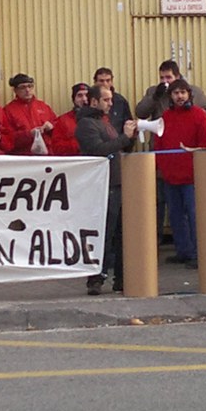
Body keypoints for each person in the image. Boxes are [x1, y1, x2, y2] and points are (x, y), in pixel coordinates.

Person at [75, 84, 137, 295]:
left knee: (121, 234)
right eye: (106, 100)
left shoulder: (105, 123)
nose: (111, 103)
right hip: (104, 186)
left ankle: (121, 278)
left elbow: (119, 147)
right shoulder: (86, 124)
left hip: (116, 184)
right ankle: (96, 278)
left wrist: (130, 137)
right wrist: (123, 138)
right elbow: (98, 150)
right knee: (106, 233)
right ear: (94, 102)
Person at [156, 79, 206, 265]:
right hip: (170, 176)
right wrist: (163, 167)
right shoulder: (165, 117)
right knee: (175, 215)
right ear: (170, 97)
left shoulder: (199, 115)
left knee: (194, 215)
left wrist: (192, 153)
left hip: (192, 176)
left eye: (182, 92)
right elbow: (159, 144)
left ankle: (199, 253)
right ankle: (183, 251)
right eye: (175, 93)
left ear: (189, 94)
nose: (179, 96)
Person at [135, 59, 206, 122]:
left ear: (177, 76)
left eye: (168, 77)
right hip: (161, 139)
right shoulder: (153, 91)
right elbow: (140, 113)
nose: (164, 81)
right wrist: (155, 97)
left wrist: (194, 116)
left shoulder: (194, 91)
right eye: (162, 78)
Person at [1, 73, 58, 155]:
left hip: (46, 156)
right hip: (24, 158)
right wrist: (29, 134)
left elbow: (58, 128)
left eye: (30, 86)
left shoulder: (43, 106)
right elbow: (7, 138)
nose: (27, 90)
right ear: (15, 90)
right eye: (23, 87)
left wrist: (52, 127)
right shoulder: (8, 111)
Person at [47, 83, 90, 157]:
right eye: (80, 95)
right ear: (74, 99)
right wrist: (79, 144)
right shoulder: (63, 120)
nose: (84, 99)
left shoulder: (101, 118)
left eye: (87, 95)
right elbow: (56, 148)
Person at [93, 67, 132, 133]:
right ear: (95, 82)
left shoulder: (120, 101)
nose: (105, 84)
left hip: (118, 140)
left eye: (108, 80)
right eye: (101, 81)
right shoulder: (89, 99)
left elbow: (128, 123)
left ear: (112, 82)